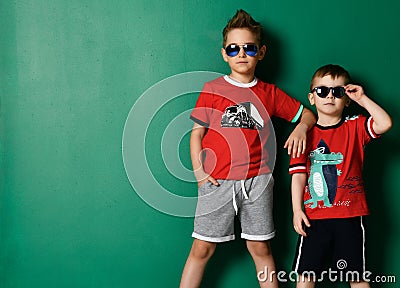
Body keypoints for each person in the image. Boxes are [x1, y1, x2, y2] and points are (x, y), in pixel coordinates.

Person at [180, 10, 316, 288]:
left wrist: (301, 127)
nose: (241, 54)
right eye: (234, 48)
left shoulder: (270, 93)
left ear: (261, 52)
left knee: (261, 250)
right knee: (201, 249)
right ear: (224, 54)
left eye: (249, 48)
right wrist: (200, 174)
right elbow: (197, 135)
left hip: (258, 183)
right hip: (216, 182)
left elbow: (308, 116)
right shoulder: (213, 88)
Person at [289, 64, 392, 288]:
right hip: (313, 217)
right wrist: (297, 210)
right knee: (305, 277)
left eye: (337, 92)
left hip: (350, 216)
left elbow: (385, 123)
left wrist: (362, 98)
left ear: (346, 99)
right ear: (312, 97)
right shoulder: (303, 135)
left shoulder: (355, 126)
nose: (329, 96)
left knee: (357, 277)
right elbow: (298, 176)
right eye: (322, 91)